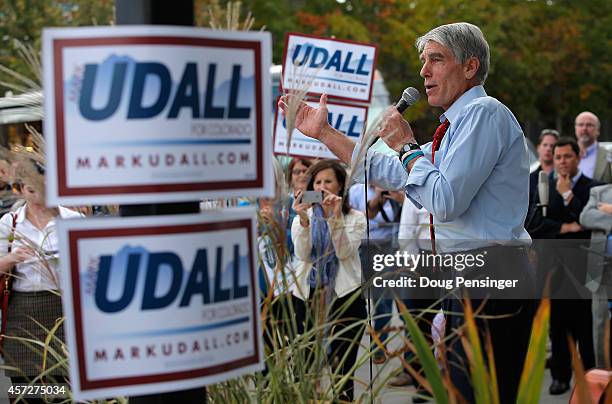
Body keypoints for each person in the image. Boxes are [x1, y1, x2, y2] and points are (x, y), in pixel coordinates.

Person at [280, 22, 535, 403]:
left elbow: (446, 202)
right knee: (464, 392)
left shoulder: (484, 113)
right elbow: (390, 171)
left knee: (482, 394)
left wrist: (406, 145)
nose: (424, 71)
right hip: (469, 273)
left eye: (436, 59)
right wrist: (325, 134)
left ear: (470, 66)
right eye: (423, 61)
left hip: (491, 272)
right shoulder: (455, 126)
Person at [0, 160, 81, 397]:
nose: (38, 197)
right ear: (21, 189)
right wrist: (12, 258)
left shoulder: (71, 219)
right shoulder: (10, 223)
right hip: (23, 312)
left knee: (62, 385)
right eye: (31, 190)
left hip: (63, 308)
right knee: (25, 386)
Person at [526, 137, 600, 394]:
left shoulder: (593, 188)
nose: (562, 162)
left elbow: (591, 223)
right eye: (558, 158)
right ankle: (560, 376)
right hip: (552, 268)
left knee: (584, 326)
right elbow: (534, 225)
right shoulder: (544, 187)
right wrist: (565, 227)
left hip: (582, 267)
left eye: (567, 157)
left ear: (578, 157)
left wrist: (569, 196)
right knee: (557, 326)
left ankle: (590, 376)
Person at [291, 159, 366, 401]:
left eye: (328, 181)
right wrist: (303, 221)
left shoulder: (356, 218)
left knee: (344, 371)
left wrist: (335, 217)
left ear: (340, 186)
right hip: (308, 294)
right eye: (318, 182)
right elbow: (303, 254)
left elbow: (344, 252)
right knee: (304, 364)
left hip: (345, 295)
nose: (322, 186)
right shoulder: (304, 215)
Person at [348, 184, 403, 364]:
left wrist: (399, 200)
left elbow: (400, 220)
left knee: (383, 300)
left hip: (386, 248)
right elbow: (352, 219)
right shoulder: (356, 191)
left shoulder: (396, 189)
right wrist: (376, 200)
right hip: (361, 247)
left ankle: (378, 348)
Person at [580, 184, 612, 368]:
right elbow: (585, 217)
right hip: (601, 270)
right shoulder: (599, 192)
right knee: (600, 323)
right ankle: (602, 378)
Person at [575, 111, 611, 183]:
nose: (584, 128)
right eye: (580, 125)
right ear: (575, 129)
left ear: (598, 130)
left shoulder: (609, 156)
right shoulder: (564, 155)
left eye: (589, 125)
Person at [529, 129, 559, 197]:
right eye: (545, 145)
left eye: (552, 146)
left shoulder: (563, 177)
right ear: (538, 148)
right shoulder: (530, 178)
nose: (548, 149)